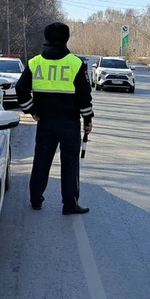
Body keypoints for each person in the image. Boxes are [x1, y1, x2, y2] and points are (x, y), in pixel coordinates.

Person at [15, 22, 94, 215]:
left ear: (46, 38)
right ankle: (69, 204)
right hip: (69, 123)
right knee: (70, 164)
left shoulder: (34, 63)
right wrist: (88, 120)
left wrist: (32, 111)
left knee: (41, 161)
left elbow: (20, 89)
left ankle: (35, 200)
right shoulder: (76, 64)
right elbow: (84, 97)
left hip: (45, 123)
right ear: (66, 39)